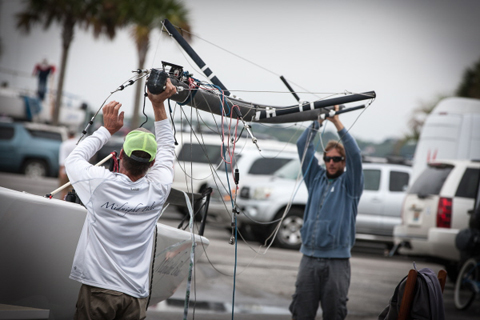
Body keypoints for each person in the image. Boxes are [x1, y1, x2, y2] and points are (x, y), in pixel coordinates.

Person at [65, 79, 177, 319]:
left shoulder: (100, 184)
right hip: (136, 297)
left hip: (98, 290)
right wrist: (159, 105)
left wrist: (107, 129)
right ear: (152, 163)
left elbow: (73, 160)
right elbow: (167, 147)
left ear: (122, 154)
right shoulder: (159, 188)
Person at [289, 105, 364, 320]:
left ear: (343, 161)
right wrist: (319, 120)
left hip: (337, 261)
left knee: (334, 312)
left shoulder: (350, 185)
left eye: (337, 159)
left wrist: (337, 122)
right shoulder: (315, 178)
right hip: (309, 259)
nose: (331, 163)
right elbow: (302, 144)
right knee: (301, 312)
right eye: (328, 158)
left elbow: (356, 154)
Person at [58, 130, 77, 200]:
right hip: (76, 171)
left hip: (66, 170)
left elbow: (62, 159)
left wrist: (61, 170)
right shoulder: (79, 143)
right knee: (73, 191)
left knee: (64, 190)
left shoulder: (65, 144)